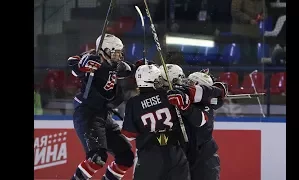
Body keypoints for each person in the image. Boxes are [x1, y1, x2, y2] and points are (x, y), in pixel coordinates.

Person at [121, 64, 209, 180]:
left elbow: (128, 135)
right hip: (175, 154)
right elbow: (202, 120)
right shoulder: (170, 95)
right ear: (156, 80)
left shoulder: (133, 103)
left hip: (149, 157)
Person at [67, 34, 135, 180]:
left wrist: (142, 67)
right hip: (87, 114)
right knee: (97, 158)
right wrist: (83, 65)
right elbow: (73, 63)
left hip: (104, 115)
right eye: (115, 52)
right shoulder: (92, 61)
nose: (119, 55)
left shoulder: (116, 65)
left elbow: (129, 70)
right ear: (105, 50)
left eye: (120, 52)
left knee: (126, 157)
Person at [159, 64, 227, 180]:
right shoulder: (179, 98)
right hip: (182, 155)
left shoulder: (206, 105)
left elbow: (200, 120)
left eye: (190, 83)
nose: (185, 84)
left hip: (204, 159)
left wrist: (185, 106)